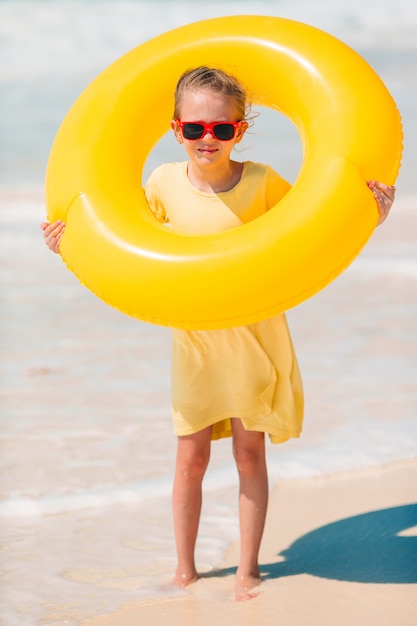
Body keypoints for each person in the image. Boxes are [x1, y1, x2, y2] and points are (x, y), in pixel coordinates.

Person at [41, 66, 396, 601]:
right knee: (190, 458)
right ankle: (184, 568)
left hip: (254, 341)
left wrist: (370, 215)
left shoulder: (262, 183)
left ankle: (248, 568)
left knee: (250, 456)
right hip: (197, 347)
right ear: (175, 129)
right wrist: (70, 243)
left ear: (240, 130)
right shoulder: (161, 184)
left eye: (222, 130)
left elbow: (316, 233)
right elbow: (124, 247)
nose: (208, 139)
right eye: (194, 129)